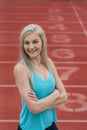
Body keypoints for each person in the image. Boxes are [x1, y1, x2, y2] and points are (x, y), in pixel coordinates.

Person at [14, 24, 68, 130]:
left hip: (50, 125)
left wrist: (40, 104)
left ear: (42, 42)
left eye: (35, 41)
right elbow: (34, 108)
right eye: (26, 43)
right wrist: (55, 94)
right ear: (22, 45)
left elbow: (64, 96)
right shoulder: (21, 69)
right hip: (30, 127)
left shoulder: (48, 63)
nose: (31, 47)